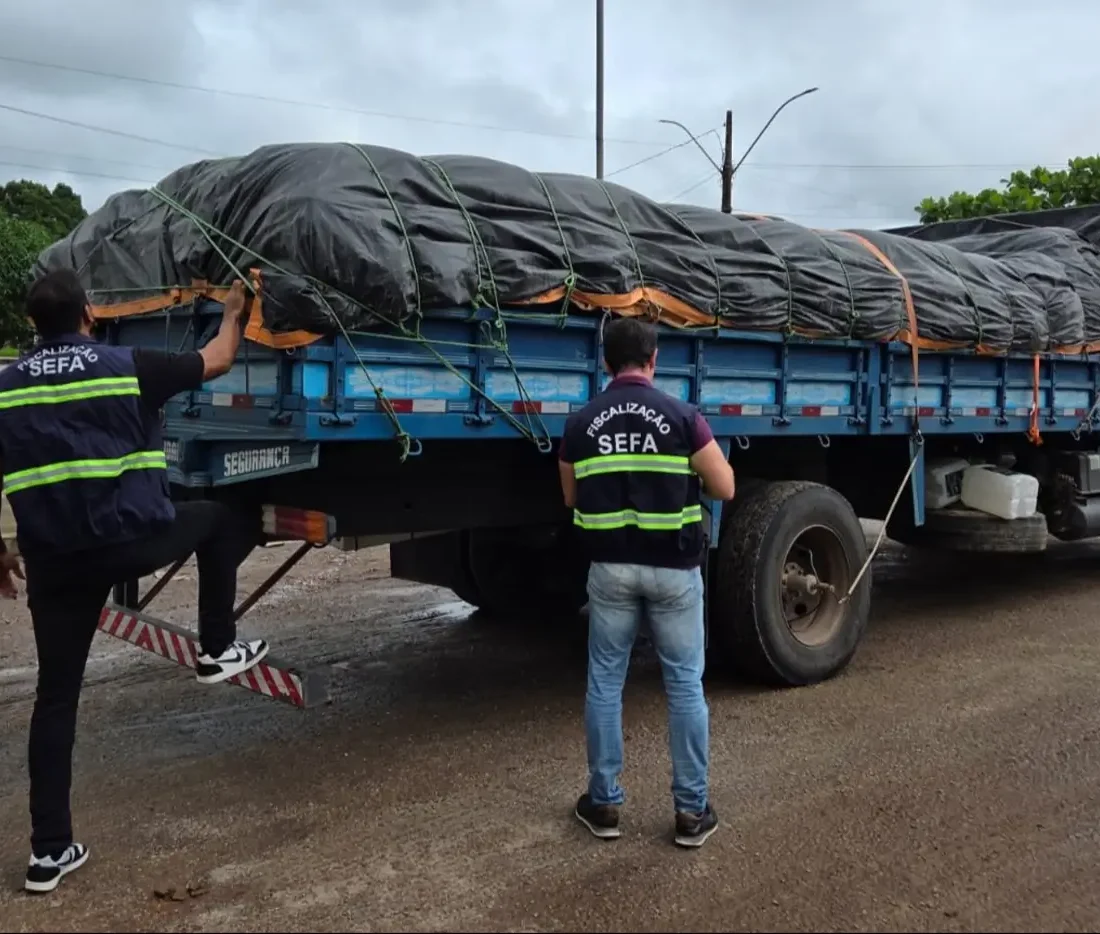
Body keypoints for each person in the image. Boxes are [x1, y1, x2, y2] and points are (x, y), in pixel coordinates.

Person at [0, 270, 271, 894]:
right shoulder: (126, 366)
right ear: (88, 314)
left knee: (56, 699)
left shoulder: (7, 387)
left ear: (31, 323)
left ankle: (48, 854)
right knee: (216, 521)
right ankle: (215, 648)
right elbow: (218, 360)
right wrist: (233, 310)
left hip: (55, 564)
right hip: (127, 544)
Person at [558, 315, 735, 849]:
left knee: (606, 683)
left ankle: (605, 804)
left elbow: (570, 498)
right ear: (654, 361)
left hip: (610, 570)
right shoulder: (683, 417)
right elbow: (723, 487)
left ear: (605, 362)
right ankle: (690, 812)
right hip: (674, 570)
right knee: (684, 685)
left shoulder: (581, 423)